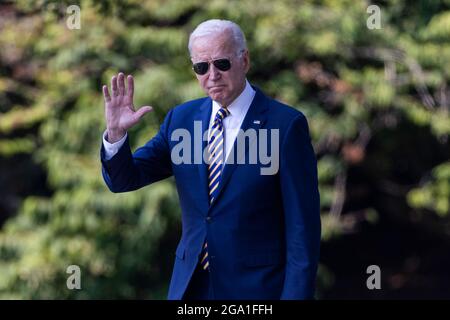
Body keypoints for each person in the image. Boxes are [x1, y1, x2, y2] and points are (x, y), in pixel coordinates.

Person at [100, 19, 321, 300]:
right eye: (201, 67)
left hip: (258, 290)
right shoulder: (181, 120)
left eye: (222, 63)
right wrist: (115, 133)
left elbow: (303, 231)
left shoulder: (286, 126)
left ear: (245, 60)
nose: (212, 75)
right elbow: (124, 180)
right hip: (191, 288)